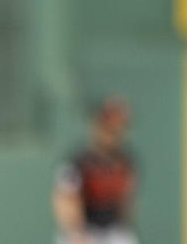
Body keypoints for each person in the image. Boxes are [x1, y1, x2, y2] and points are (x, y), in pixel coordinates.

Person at [52, 97, 139, 244]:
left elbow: (127, 201)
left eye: (118, 128)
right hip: (83, 231)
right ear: (97, 127)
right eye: (109, 128)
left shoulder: (126, 163)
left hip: (113, 231)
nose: (114, 134)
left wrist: (125, 227)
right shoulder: (77, 163)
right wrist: (77, 235)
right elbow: (64, 201)